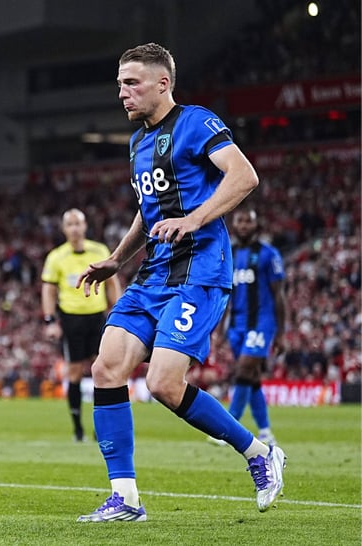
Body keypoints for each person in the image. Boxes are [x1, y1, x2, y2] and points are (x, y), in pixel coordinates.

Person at [74, 43, 286, 523]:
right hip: (154, 273)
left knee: (164, 383)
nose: (122, 93)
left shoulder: (196, 122)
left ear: (162, 83)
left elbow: (244, 176)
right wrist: (116, 259)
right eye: (120, 84)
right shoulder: (137, 143)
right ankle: (126, 498)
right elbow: (147, 211)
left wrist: (194, 219)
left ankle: (259, 453)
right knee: (106, 368)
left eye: (132, 83)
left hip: (200, 271)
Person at [41, 208, 121, 442]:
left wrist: (118, 312)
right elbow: (49, 290)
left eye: (78, 223)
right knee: (74, 372)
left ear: (85, 226)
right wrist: (50, 320)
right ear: (64, 229)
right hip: (71, 319)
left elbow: (112, 283)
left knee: (103, 371)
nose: (75, 228)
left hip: (97, 317)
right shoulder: (56, 257)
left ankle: (101, 427)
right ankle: (78, 430)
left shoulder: (100, 250)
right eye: (70, 224)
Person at [209, 207, 286, 447]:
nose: (243, 225)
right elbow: (226, 295)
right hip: (237, 325)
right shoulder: (229, 254)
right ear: (234, 225)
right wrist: (220, 329)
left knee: (243, 371)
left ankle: (228, 429)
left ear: (256, 225)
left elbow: (279, 296)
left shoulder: (268, 254)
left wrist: (281, 333)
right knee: (251, 379)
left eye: (248, 221)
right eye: (240, 221)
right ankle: (265, 431)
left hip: (261, 323)